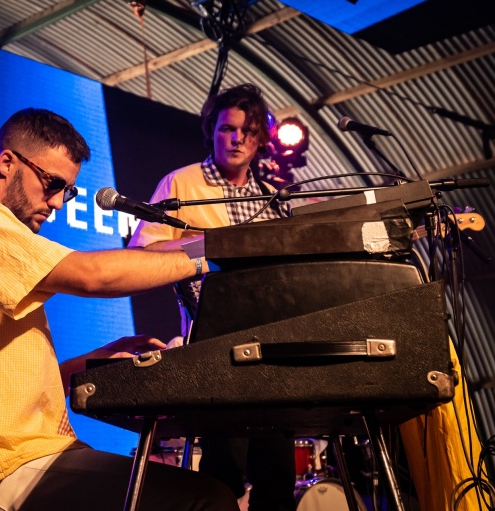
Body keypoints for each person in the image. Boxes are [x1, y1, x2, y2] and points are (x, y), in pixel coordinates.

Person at [0, 108, 238, 511]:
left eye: (69, 190)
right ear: (8, 162)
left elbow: (1, 386)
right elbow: (91, 275)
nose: (59, 202)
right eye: (53, 183)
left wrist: (89, 364)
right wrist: (214, 251)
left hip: (25, 460)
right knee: (208, 500)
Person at [128, 83, 297, 511]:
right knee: (223, 473)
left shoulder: (270, 198)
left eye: (246, 131)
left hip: (272, 351)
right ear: (212, 132)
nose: (236, 138)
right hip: (214, 349)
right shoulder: (182, 183)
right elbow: (139, 253)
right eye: (226, 129)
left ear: (259, 140)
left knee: (278, 476)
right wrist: (207, 245)